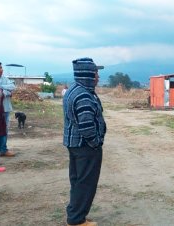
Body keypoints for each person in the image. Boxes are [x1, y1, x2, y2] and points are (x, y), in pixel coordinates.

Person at [63, 58, 106, 226]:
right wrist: (96, 143)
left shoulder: (74, 90)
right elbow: (87, 126)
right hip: (85, 146)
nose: (98, 77)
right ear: (88, 74)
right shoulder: (84, 96)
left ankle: (75, 214)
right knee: (85, 183)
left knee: (78, 181)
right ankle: (76, 220)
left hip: (75, 144)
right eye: (96, 73)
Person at [0, 61, 16, 157]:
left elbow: (13, 87)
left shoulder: (4, 78)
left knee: (4, 130)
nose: (1, 69)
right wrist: (6, 92)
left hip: (5, 108)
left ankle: (3, 150)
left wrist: (0, 88)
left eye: (1, 67)